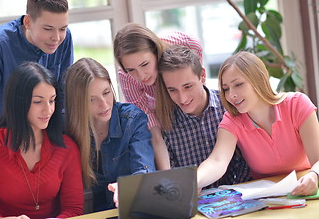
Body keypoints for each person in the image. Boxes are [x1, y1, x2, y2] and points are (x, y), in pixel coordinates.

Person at [0, 0, 73, 165]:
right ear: (28, 22)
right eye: (48, 29)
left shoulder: (64, 39)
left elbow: (62, 95)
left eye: (62, 28)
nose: (56, 37)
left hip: (44, 145)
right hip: (2, 147)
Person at [0, 62, 83, 219]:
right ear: (18, 103)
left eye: (52, 100)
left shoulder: (67, 148)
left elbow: (74, 210)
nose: (48, 110)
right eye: (38, 101)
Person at [196, 51, 319, 196]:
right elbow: (217, 160)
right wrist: (194, 182)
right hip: (267, 200)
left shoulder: (297, 104)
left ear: (258, 79)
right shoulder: (232, 120)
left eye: (238, 84)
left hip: (307, 191)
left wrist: (314, 175)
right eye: (226, 89)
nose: (231, 95)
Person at [64, 58, 155, 211]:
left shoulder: (131, 119)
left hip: (132, 208)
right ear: (78, 102)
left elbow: (145, 168)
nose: (104, 104)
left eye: (106, 93)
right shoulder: (68, 127)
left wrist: (128, 186)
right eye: (92, 99)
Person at [155, 45, 251, 189]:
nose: (182, 98)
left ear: (202, 76)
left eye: (188, 86)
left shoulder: (230, 105)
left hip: (244, 197)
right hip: (195, 205)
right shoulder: (165, 125)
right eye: (172, 90)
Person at [113, 22, 203, 170]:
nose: (141, 76)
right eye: (131, 69)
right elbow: (154, 134)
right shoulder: (126, 77)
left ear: (156, 51)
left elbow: (195, 81)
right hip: (158, 109)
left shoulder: (185, 44)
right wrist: (167, 176)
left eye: (144, 64)